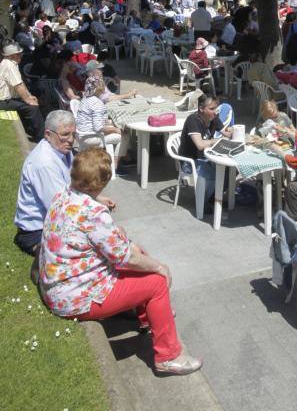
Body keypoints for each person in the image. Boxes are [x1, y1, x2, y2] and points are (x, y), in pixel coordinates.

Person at [39, 147, 201, 375]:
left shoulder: (63, 195)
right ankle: (168, 356)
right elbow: (124, 258)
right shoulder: (94, 213)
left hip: (60, 285)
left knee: (137, 250)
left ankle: (147, 319)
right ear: (103, 181)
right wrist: (160, 266)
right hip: (75, 298)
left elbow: (113, 243)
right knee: (156, 282)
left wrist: (131, 244)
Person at [13, 110, 115, 255]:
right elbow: (62, 208)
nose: (71, 139)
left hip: (55, 221)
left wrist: (97, 198)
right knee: (94, 251)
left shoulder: (61, 150)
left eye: (73, 134)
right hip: (36, 232)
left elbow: (71, 188)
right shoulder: (44, 163)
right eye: (65, 135)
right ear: (48, 134)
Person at [179, 94, 234, 209]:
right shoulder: (193, 120)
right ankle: (202, 202)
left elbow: (226, 133)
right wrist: (216, 140)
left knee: (232, 170)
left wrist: (234, 131)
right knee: (216, 174)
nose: (215, 112)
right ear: (201, 109)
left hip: (206, 158)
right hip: (190, 162)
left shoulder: (213, 118)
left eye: (216, 108)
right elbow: (199, 145)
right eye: (211, 109)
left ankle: (213, 197)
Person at [76, 77, 131, 173]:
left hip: (81, 135)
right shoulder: (97, 103)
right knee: (124, 134)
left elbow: (94, 121)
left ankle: (121, 159)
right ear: (99, 88)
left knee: (114, 127)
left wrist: (110, 124)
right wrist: (115, 129)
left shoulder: (85, 99)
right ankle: (115, 166)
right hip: (91, 137)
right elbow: (98, 128)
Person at [0, 41, 44, 141]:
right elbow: (18, 86)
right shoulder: (9, 65)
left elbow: (20, 83)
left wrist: (29, 95)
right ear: (13, 55)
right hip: (3, 101)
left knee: (30, 102)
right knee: (31, 108)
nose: (21, 55)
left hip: (8, 99)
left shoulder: (11, 63)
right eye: (19, 53)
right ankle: (41, 137)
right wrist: (28, 100)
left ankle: (33, 131)